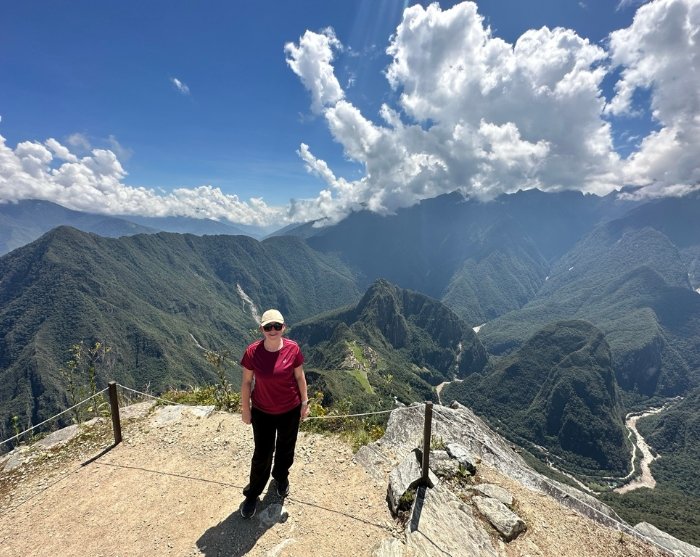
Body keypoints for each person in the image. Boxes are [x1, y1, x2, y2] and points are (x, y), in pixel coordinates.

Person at [239, 309, 309, 519]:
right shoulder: (252, 352)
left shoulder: (293, 349)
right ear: (261, 328)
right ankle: (253, 494)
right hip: (262, 411)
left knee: (286, 449)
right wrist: (245, 409)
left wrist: (304, 403)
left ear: (283, 328)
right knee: (262, 454)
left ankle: (281, 477)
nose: (272, 330)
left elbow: (300, 377)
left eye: (277, 326)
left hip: (290, 410)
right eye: (268, 326)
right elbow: (246, 382)